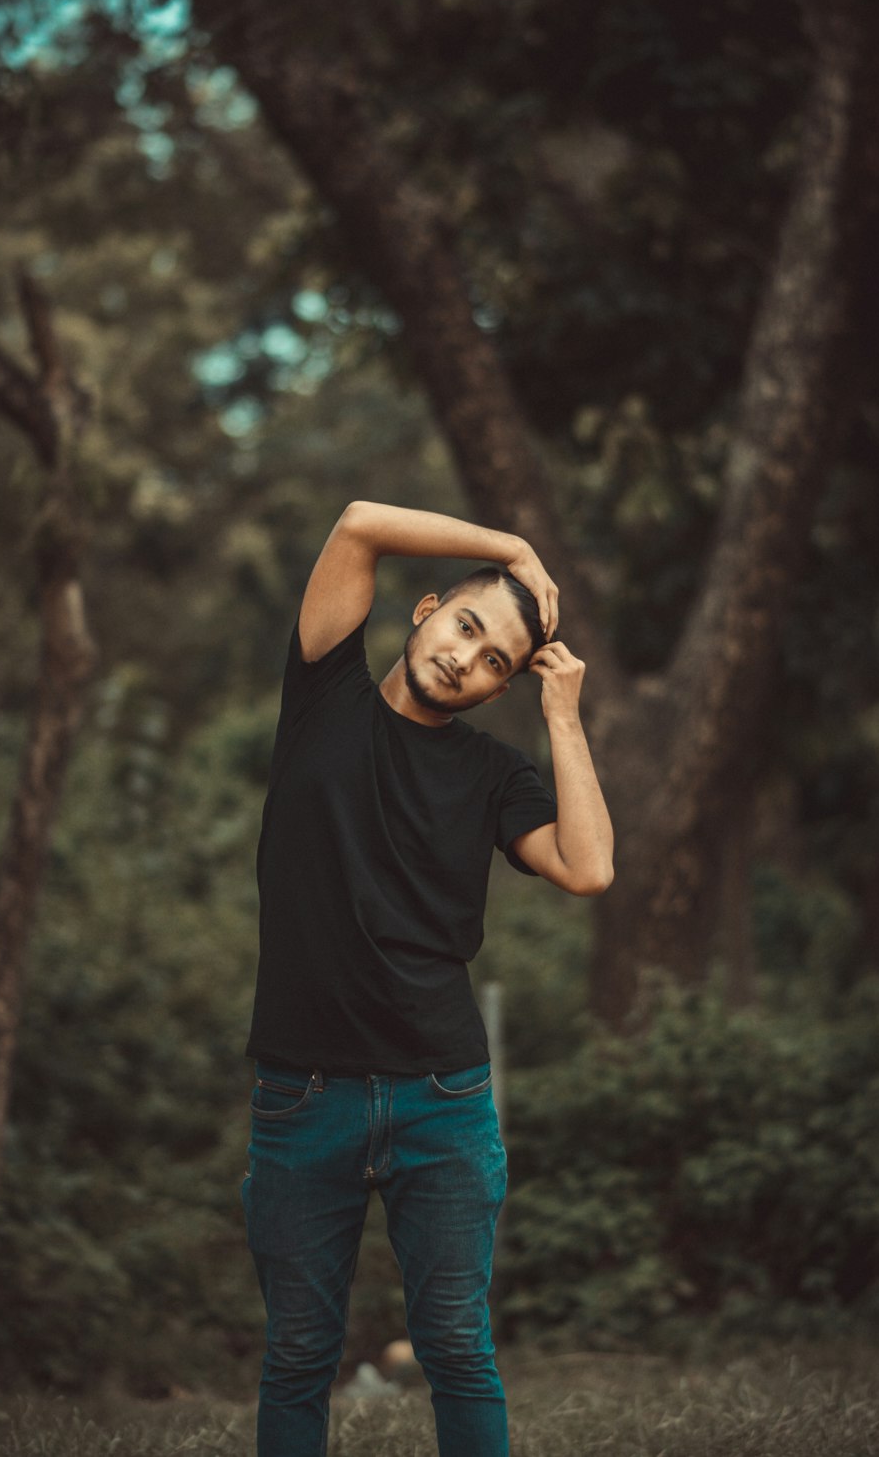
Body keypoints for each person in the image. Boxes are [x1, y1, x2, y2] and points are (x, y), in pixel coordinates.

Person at [243, 500, 614, 1457]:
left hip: (442, 1097)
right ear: (425, 611)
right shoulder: (325, 692)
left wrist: (562, 713)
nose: (467, 658)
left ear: (501, 689)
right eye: (465, 627)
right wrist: (514, 548)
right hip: (301, 1091)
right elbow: (360, 522)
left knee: (455, 1344)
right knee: (297, 1354)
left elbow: (589, 867)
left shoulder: (494, 776)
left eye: (496, 661)